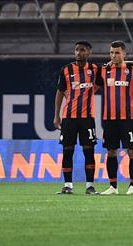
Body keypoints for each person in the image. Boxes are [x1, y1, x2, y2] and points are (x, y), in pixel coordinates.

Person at [97, 41, 133, 195]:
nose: (113, 55)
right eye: (111, 52)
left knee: (132, 152)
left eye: (117, 52)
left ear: (124, 54)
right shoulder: (104, 70)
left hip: (128, 118)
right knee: (111, 152)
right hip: (109, 118)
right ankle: (113, 187)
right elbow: (94, 86)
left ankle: (132, 186)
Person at [53, 41, 98, 195]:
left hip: (87, 118)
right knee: (67, 151)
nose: (79, 53)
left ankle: (90, 186)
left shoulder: (95, 69)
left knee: (89, 151)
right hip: (69, 117)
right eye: (77, 50)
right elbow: (60, 92)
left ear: (89, 53)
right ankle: (68, 185)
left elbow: (106, 78)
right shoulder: (66, 70)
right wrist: (56, 116)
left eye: (83, 50)